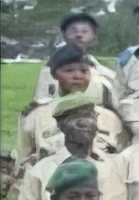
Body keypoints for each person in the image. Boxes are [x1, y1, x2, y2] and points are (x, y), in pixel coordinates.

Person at [16, 93, 128, 200]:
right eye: (74, 118)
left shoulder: (113, 168)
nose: (84, 123)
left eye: (89, 116)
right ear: (61, 126)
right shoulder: (41, 170)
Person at [16, 45, 127, 177]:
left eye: (84, 71)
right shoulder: (35, 117)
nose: (78, 76)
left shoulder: (110, 118)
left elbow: (122, 159)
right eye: (69, 70)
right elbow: (23, 162)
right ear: (53, 74)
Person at [33, 13, 118, 109]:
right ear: (64, 34)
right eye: (74, 31)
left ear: (94, 37)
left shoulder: (104, 70)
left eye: (84, 31)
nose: (79, 35)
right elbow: (42, 103)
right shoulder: (52, 68)